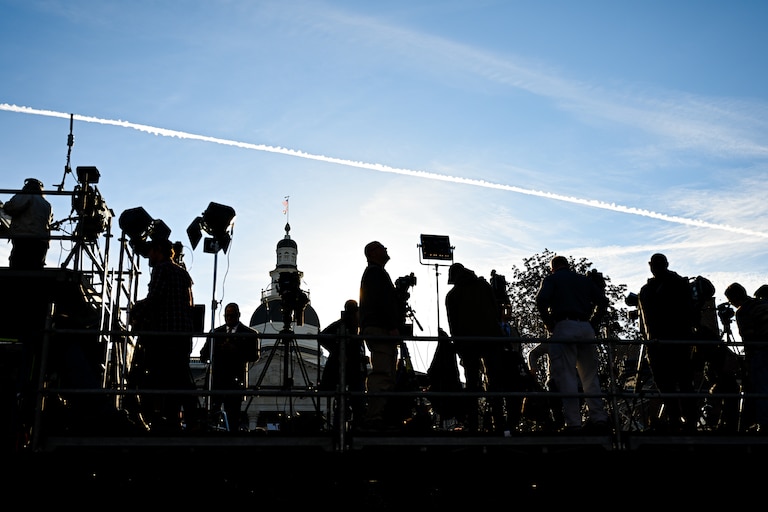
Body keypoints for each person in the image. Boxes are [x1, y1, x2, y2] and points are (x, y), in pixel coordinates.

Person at [129, 238, 201, 432]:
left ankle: (166, 421)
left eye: (151, 252)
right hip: (183, 335)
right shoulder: (183, 273)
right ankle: (189, 420)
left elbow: (155, 298)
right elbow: (190, 305)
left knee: (161, 378)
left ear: (158, 250)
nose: (149, 256)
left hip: (166, 335)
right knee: (181, 378)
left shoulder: (161, 269)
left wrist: (135, 310)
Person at [535, 255, 610, 433]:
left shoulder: (552, 279)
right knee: (590, 376)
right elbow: (602, 301)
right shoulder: (583, 280)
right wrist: (593, 322)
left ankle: (573, 422)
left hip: (563, 325)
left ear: (552, 268)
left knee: (566, 375)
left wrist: (548, 323)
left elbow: (541, 300)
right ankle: (598, 418)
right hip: (585, 327)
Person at [636, 253, 699, 433]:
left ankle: (680, 420)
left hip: (663, 342)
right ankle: (684, 420)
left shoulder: (650, 289)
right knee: (675, 383)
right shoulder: (677, 284)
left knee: (673, 383)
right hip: (669, 342)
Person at [445, 262, 507, 433]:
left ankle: (473, 424)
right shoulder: (483, 285)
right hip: (492, 340)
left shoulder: (453, 295)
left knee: (471, 384)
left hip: (468, 344)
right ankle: (499, 423)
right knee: (494, 382)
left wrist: (459, 347)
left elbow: (453, 325)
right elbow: (495, 311)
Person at [358, 241, 403, 431]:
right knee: (383, 373)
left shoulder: (374, 274)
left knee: (386, 372)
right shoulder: (376, 274)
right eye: (382, 248)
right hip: (380, 329)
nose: (386, 250)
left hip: (377, 327)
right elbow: (383, 302)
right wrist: (392, 325)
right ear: (373, 253)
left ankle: (380, 415)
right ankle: (374, 417)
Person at [201, 302, 260, 432]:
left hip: (235, 380)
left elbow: (255, 356)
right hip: (216, 379)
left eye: (232, 316)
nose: (229, 319)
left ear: (238, 315)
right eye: (227, 316)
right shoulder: (216, 333)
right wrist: (217, 350)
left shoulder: (250, 334)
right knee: (212, 415)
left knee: (233, 416)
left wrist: (236, 350)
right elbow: (203, 355)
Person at [724, 282, 768, 433]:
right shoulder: (762, 303)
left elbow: (748, 338)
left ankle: (764, 425)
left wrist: (748, 361)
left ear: (734, 299)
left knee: (761, 388)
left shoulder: (743, 311)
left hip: (761, 351)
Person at [319, 299, 367, 430]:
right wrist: (339, 353)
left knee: (352, 404)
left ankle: (350, 428)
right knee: (351, 404)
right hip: (349, 372)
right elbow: (322, 337)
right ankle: (348, 429)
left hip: (354, 371)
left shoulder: (354, 328)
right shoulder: (343, 325)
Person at [1, 178, 53, 269]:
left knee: (18, 267)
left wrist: (3, 207)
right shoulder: (47, 205)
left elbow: (12, 207)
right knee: (35, 270)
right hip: (42, 243)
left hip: (25, 240)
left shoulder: (27, 195)